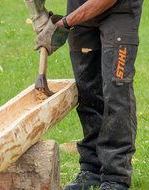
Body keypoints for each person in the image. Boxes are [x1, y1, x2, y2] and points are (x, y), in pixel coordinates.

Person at [24, 0, 144, 189]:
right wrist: (38, 16)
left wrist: (64, 23)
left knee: (116, 90)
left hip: (119, 8)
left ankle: (115, 176)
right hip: (80, 5)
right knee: (86, 89)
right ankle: (91, 169)